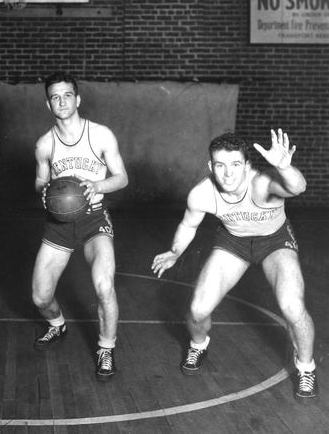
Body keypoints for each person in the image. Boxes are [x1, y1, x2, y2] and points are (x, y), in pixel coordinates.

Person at [151, 129, 316, 401]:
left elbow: (298, 187)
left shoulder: (262, 183)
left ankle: (306, 367)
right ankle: (198, 344)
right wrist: (174, 251)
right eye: (220, 165)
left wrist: (285, 168)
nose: (228, 174)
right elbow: (188, 224)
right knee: (197, 308)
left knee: (292, 306)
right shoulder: (201, 194)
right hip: (233, 242)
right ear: (210, 166)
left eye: (235, 165)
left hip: (274, 241)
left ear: (247, 165)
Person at [31, 72, 128, 382]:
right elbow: (39, 180)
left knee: (103, 284)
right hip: (58, 224)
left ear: (78, 99)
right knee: (40, 298)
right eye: (55, 97)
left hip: (94, 220)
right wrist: (43, 190)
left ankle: (106, 347)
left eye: (67, 95)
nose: (62, 101)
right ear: (48, 103)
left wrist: (97, 184)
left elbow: (122, 178)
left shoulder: (100, 135)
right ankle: (57, 324)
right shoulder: (44, 144)